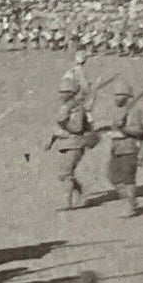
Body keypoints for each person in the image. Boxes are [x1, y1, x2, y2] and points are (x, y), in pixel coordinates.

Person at [49, 76, 92, 210]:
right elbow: (58, 127)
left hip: (75, 143)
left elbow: (77, 127)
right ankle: (80, 192)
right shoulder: (65, 107)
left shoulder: (77, 108)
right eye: (60, 92)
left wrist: (65, 123)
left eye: (64, 92)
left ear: (71, 93)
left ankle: (67, 202)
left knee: (66, 173)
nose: (61, 95)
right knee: (63, 173)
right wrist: (51, 140)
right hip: (65, 143)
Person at [106, 82, 143, 216]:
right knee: (113, 177)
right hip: (116, 148)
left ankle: (130, 207)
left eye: (119, 95)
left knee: (128, 179)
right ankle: (131, 201)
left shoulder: (134, 111)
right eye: (115, 95)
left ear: (127, 95)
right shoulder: (119, 110)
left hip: (129, 149)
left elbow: (140, 131)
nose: (116, 98)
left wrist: (124, 130)